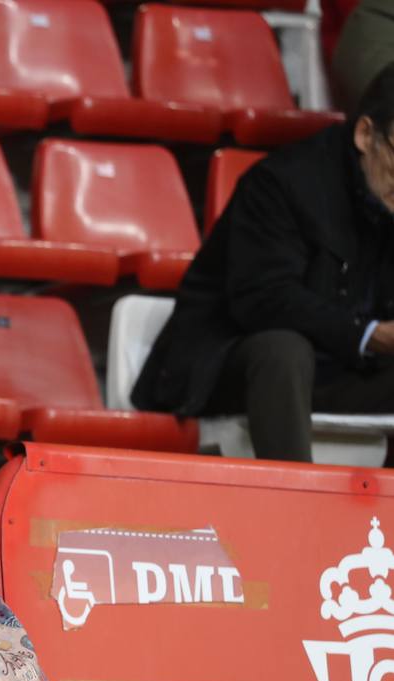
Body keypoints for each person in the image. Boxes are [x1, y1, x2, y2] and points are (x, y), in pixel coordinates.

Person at [132, 63, 394, 463]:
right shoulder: (284, 182)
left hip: (337, 368)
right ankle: (294, 515)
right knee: (283, 350)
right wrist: (370, 334)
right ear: (365, 135)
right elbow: (263, 300)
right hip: (227, 364)